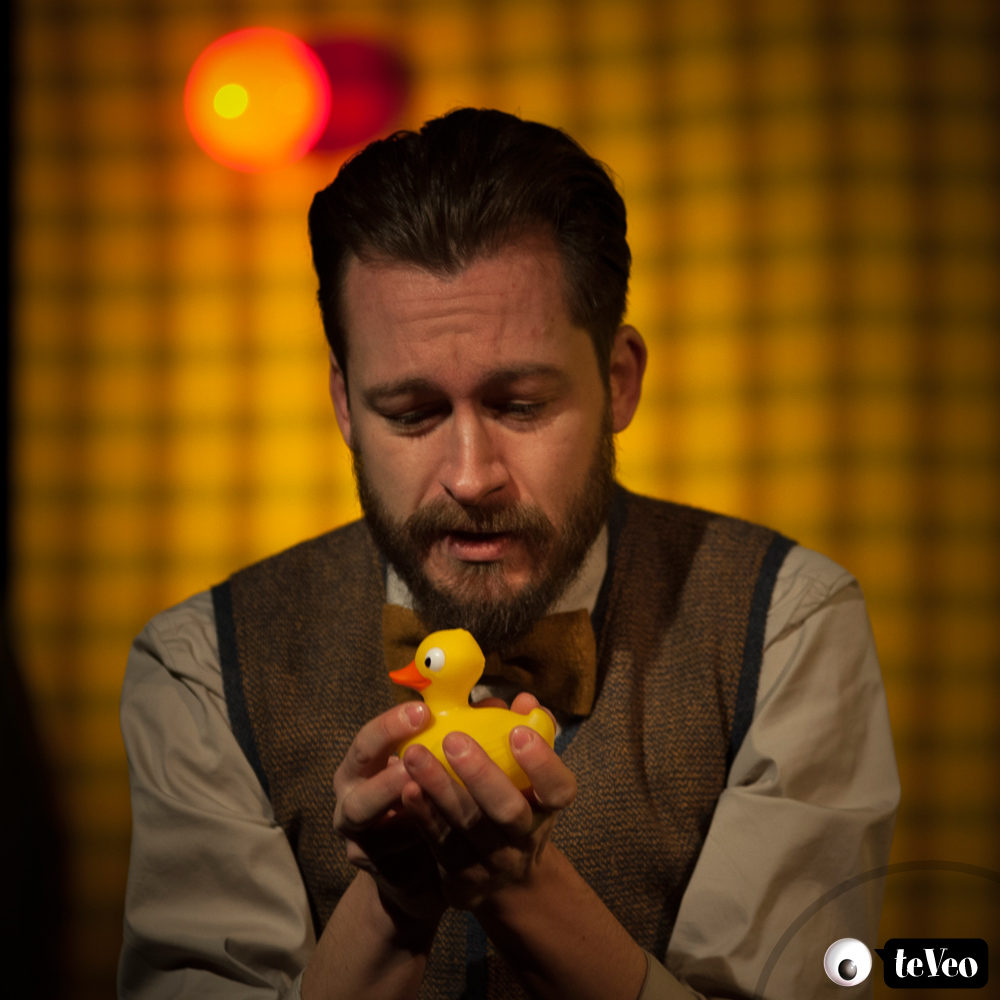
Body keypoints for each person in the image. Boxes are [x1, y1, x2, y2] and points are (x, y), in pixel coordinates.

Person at [118, 108, 899, 1000]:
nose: (470, 475)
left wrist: (528, 891)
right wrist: (393, 907)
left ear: (618, 382)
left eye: (521, 404)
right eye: (411, 413)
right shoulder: (201, 666)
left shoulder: (790, 623)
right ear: (343, 406)